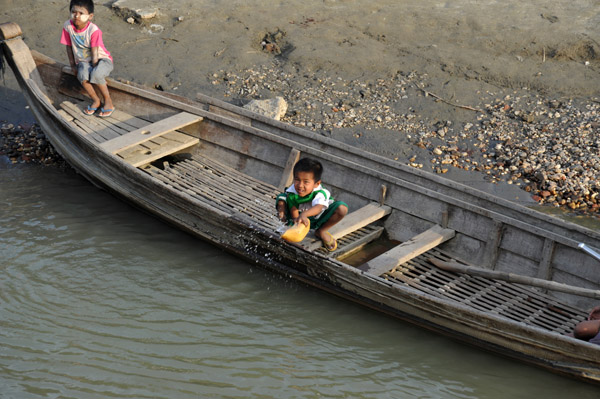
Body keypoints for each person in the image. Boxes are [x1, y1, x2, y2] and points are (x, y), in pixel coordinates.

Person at [276, 157, 348, 251]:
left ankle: (321, 231)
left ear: (317, 183)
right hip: (300, 217)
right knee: (281, 199)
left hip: (318, 218)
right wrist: (296, 222)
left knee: (342, 208)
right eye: (297, 180)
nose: (300, 185)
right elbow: (293, 209)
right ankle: (287, 224)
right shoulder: (292, 191)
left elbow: (318, 207)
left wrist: (304, 214)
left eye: (306, 182)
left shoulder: (321, 193)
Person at [60, 0, 114, 117]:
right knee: (82, 74)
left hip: (102, 59)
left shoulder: (93, 30)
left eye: (81, 13)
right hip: (84, 61)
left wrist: (94, 68)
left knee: (97, 74)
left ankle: (108, 101)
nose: (77, 16)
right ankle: (96, 100)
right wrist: (73, 65)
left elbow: (95, 51)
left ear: (90, 16)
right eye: (74, 12)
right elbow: (68, 47)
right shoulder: (67, 26)